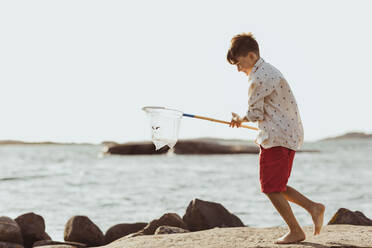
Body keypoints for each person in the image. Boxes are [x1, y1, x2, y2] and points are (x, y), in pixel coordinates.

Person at [227, 33, 325, 244]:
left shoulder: (257, 76)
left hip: (276, 137)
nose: (238, 69)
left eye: (239, 63)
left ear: (251, 56)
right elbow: (261, 111)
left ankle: (296, 230)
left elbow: (254, 114)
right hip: (287, 135)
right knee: (277, 185)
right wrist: (244, 117)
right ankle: (313, 207)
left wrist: (240, 119)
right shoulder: (270, 71)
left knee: (270, 188)